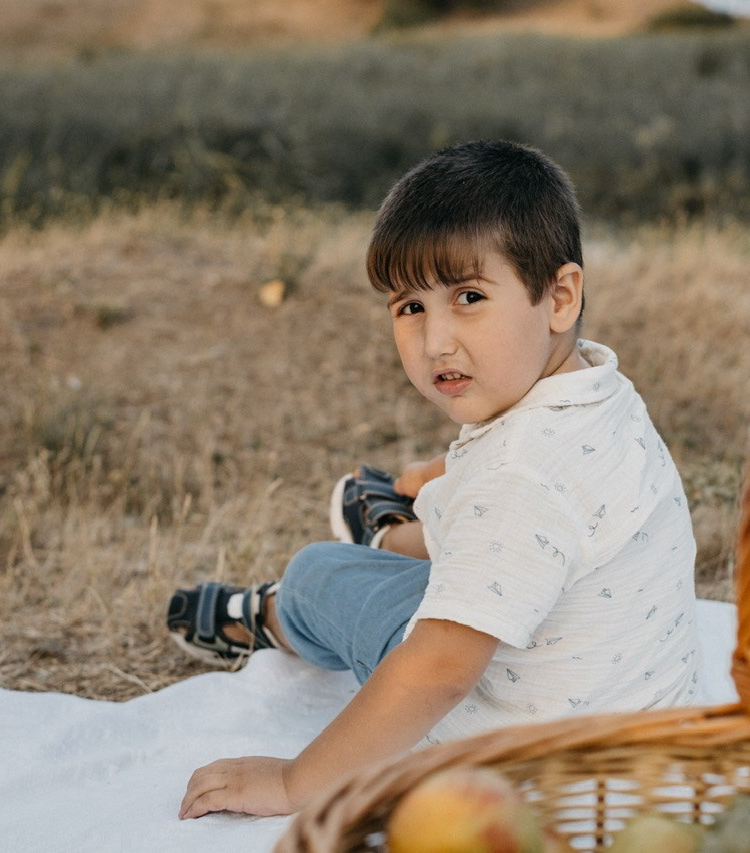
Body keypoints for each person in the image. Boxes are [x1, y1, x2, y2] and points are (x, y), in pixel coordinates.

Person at [167, 140, 700, 820]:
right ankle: (401, 528)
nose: (435, 340)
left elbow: (441, 669)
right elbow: (535, 505)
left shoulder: (517, 477)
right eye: (409, 306)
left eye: (468, 296)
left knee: (321, 572)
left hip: (516, 771)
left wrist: (298, 782)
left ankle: (274, 611)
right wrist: (448, 476)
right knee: (460, 531)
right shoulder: (601, 389)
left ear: (560, 296)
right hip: (638, 753)